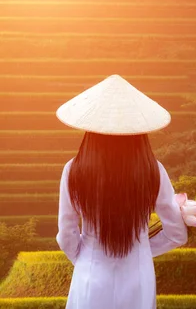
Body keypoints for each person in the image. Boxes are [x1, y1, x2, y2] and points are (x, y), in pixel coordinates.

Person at [55, 74, 188, 309]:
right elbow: (177, 234)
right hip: (138, 278)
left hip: (90, 276)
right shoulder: (153, 170)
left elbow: (66, 232)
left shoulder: (74, 169)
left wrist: (85, 258)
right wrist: (141, 251)